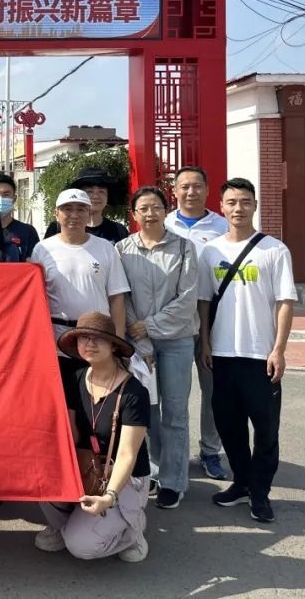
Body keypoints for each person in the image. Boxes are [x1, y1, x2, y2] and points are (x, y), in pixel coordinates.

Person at [198, 177, 296, 523]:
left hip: (260, 356)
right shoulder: (210, 251)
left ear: (254, 205)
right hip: (223, 355)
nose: (238, 208)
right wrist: (206, 342)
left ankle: (260, 492)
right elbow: (204, 301)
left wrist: (279, 349)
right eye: (231, 202)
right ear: (221, 207)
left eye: (245, 201)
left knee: (266, 429)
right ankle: (241, 483)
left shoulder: (274, 249)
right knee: (229, 425)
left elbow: (285, 302)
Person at [36, 312, 150, 562]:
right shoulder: (75, 378)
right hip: (87, 466)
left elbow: (127, 454)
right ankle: (69, 526)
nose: (90, 343)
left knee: (82, 547)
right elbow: (71, 432)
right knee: (42, 474)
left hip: (123, 475)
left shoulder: (134, 393)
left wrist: (109, 496)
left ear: (113, 345)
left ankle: (132, 530)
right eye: (83, 338)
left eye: (98, 338)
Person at [116, 187, 199, 510]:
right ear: (134, 214)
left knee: (175, 412)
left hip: (177, 340)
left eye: (156, 207)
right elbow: (122, 298)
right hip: (139, 344)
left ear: (166, 210)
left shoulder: (184, 248)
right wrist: (141, 340)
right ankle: (152, 471)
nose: (150, 214)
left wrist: (149, 326)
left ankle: (174, 481)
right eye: (143, 208)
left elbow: (187, 299)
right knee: (147, 411)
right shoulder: (122, 250)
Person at [164, 165, 230, 481]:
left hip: (213, 317)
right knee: (171, 393)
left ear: (207, 189)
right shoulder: (163, 223)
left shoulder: (222, 226)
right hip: (171, 318)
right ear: (174, 190)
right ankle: (168, 455)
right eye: (184, 186)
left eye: (197, 186)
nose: (191, 192)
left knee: (213, 390)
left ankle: (210, 451)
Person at [30, 189, 130, 383]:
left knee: (98, 397)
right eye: (67, 209)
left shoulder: (105, 248)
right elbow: (36, 299)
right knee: (65, 398)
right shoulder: (42, 249)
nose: (74, 215)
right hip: (58, 342)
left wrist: (117, 343)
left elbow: (117, 298)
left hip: (98, 341)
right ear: (56, 213)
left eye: (81, 209)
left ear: (89, 213)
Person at [44, 166, 128, 244]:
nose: (96, 196)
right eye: (90, 191)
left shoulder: (119, 230)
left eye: (101, 192)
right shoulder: (58, 227)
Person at [0, 172, 40, 260]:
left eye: (6, 195)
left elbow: (33, 264)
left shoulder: (27, 232)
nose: (1, 199)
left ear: (14, 199)